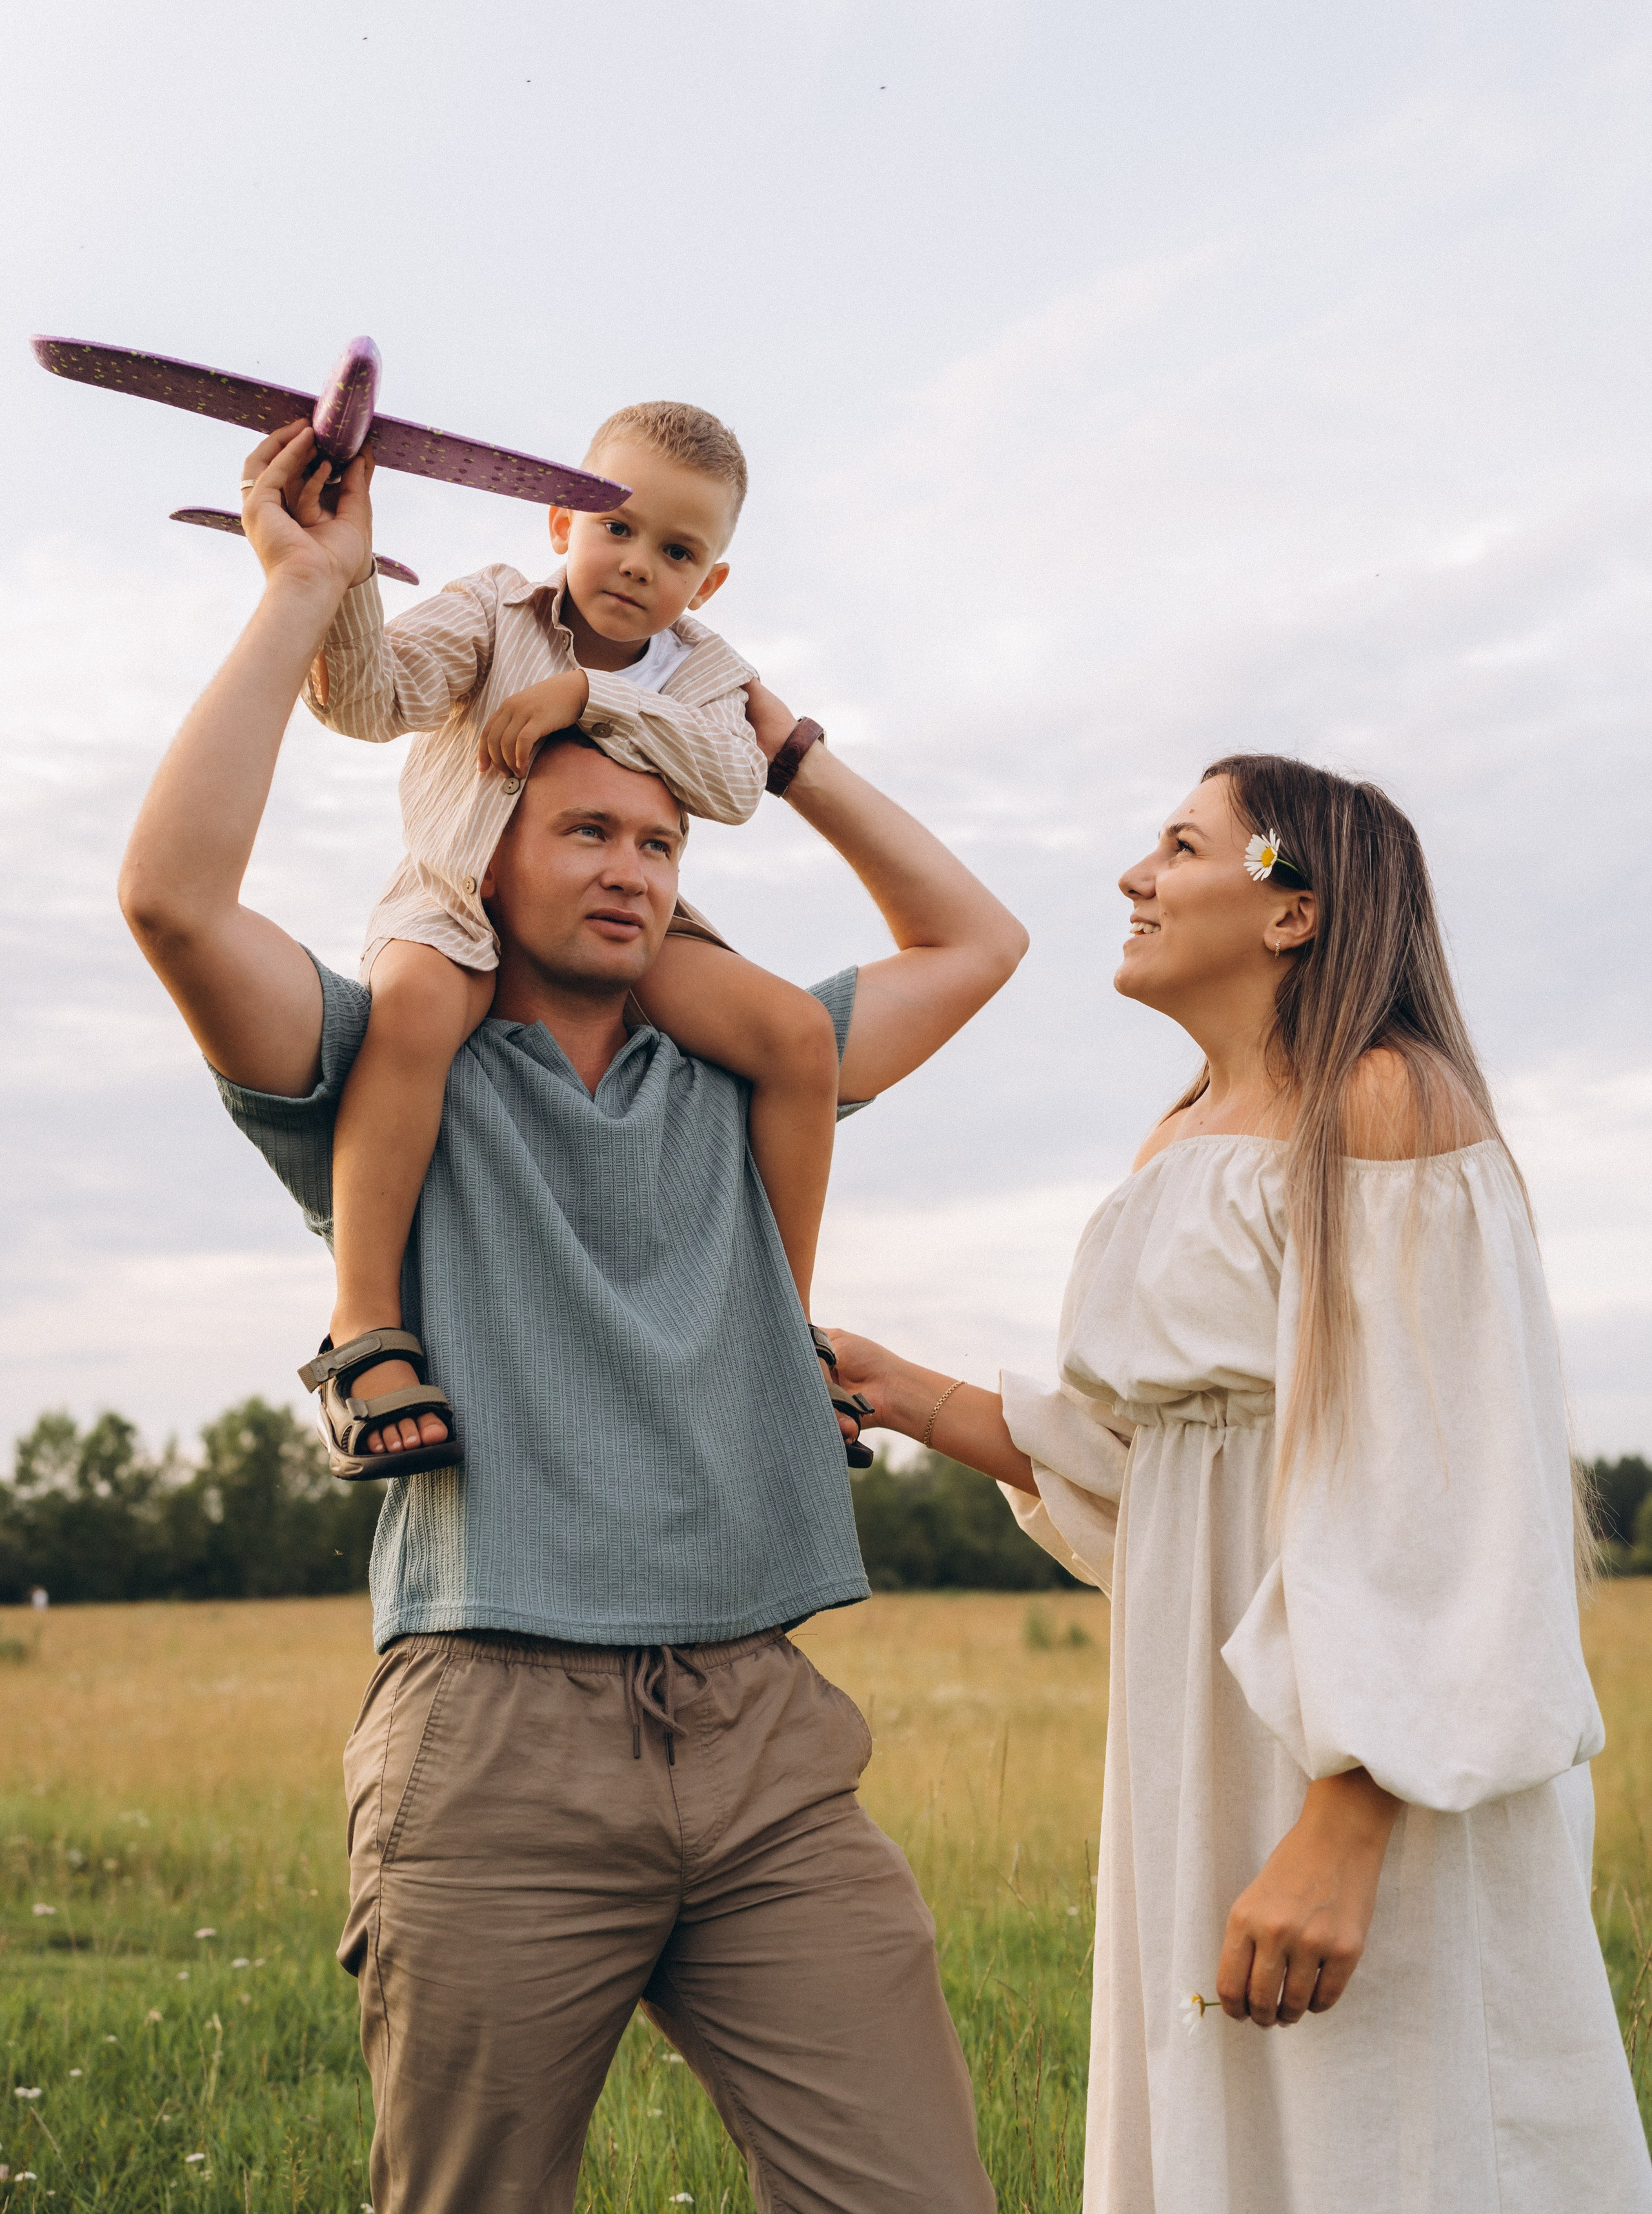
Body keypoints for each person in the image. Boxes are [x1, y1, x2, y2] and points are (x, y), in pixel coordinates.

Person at [117, 421, 1023, 2214]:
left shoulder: (747, 1072)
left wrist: (792, 752)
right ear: (489, 848)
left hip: (765, 1733)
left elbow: (974, 943)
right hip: (494, 1738)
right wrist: (306, 596)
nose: (630, 867)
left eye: (660, 845)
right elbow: (169, 899)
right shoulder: (392, 1062)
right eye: (588, 832)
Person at [827, 755, 1652, 2213]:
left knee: (1395, 2130)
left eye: (1179, 845)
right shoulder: (1178, 1134)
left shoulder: (1387, 1104)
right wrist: (894, 1387)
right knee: (1239, 2133)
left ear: (1291, 912)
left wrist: (1346, 1821)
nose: (1134, 878)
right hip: (1198, 1729)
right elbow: (1154, 1471)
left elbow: (1455, 1495)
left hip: (1368, 1760)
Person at [288, 398, 841, 1472]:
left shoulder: (703, 669)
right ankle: (364, 1322)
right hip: (455, 897)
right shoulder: (496, 610)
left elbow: (733, 783)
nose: (638, 564)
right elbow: (363, 701)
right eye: (616, 528)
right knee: (410, 1015)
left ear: (708, 580)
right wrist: (346, 577)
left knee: (797, 1038)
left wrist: (585, 696)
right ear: (560, 523)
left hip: (624, 928)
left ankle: (782, 1323)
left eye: (677, 550)